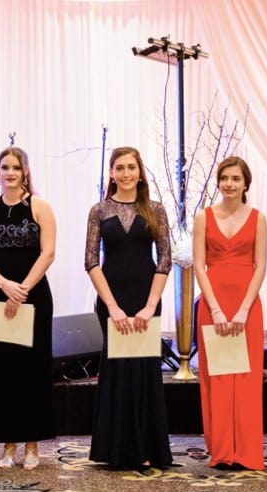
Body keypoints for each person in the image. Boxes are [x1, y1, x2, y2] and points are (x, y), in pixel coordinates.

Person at [84, 146, 173, 469]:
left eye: (131, 167)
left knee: (145, 371)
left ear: (139, 171)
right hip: (112, 301)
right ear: (111, 173)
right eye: (119, 168)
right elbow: (90, 261)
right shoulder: (99, 210)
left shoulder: (155, 210)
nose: (125, 173)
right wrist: (112, 307)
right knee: (117, 372)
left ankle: (147, 448)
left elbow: (165, 259)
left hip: (146, 299)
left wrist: (150, 305)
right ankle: (116, 450)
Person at [0, 146, 56, 469]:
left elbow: (48, 253)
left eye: (16, 168)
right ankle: (8, 445)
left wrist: (21, 290)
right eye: (5, 167)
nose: (10, 173)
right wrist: (4, 284)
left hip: (33, 294)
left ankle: (32, 445)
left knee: (32, 371)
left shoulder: (40, 206)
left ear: (25, 172)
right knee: (1, 371)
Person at [192, 155, 267, 470]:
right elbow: (199, 265)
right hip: (214, 305)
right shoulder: (203, 217)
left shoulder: (259, 219)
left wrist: (244, 309)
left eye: (236, 178)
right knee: (219, 378)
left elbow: (260, 266)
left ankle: (246, 452)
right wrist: (216, 309)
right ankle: (222, 451)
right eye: (224, 178)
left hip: (247, 306)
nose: (229, 184)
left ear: (245, 183)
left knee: (246, 380)